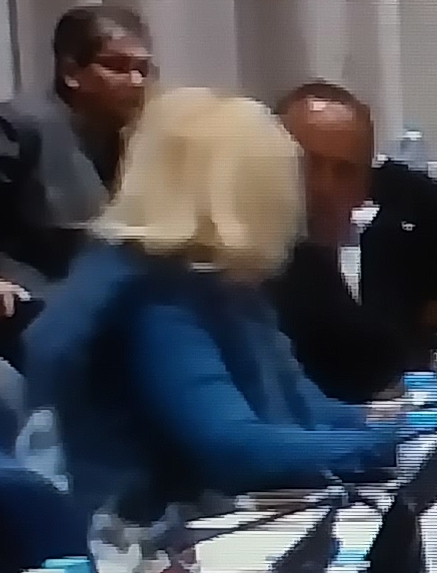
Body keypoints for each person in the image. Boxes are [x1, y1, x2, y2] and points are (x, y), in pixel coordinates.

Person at [20, 88, 406, 533]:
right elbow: (232, 448)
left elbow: (299, 402)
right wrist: (382, 446)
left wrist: (403, 424)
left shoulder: (214, 277)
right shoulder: (150, 294)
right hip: (137, 545)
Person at [270, 80, 437, 402]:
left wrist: (386, 173)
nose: (322, 187)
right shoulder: (255, 263)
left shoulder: (388, 244)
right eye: (308, 164)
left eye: (344, 171)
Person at [0, 2, 157, 344]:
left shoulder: (138, 129)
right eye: (117, 67)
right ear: (71, 72)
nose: (136, 82)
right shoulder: (19, 124)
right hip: (42, 299)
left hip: (112, 293)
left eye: (142, 69)